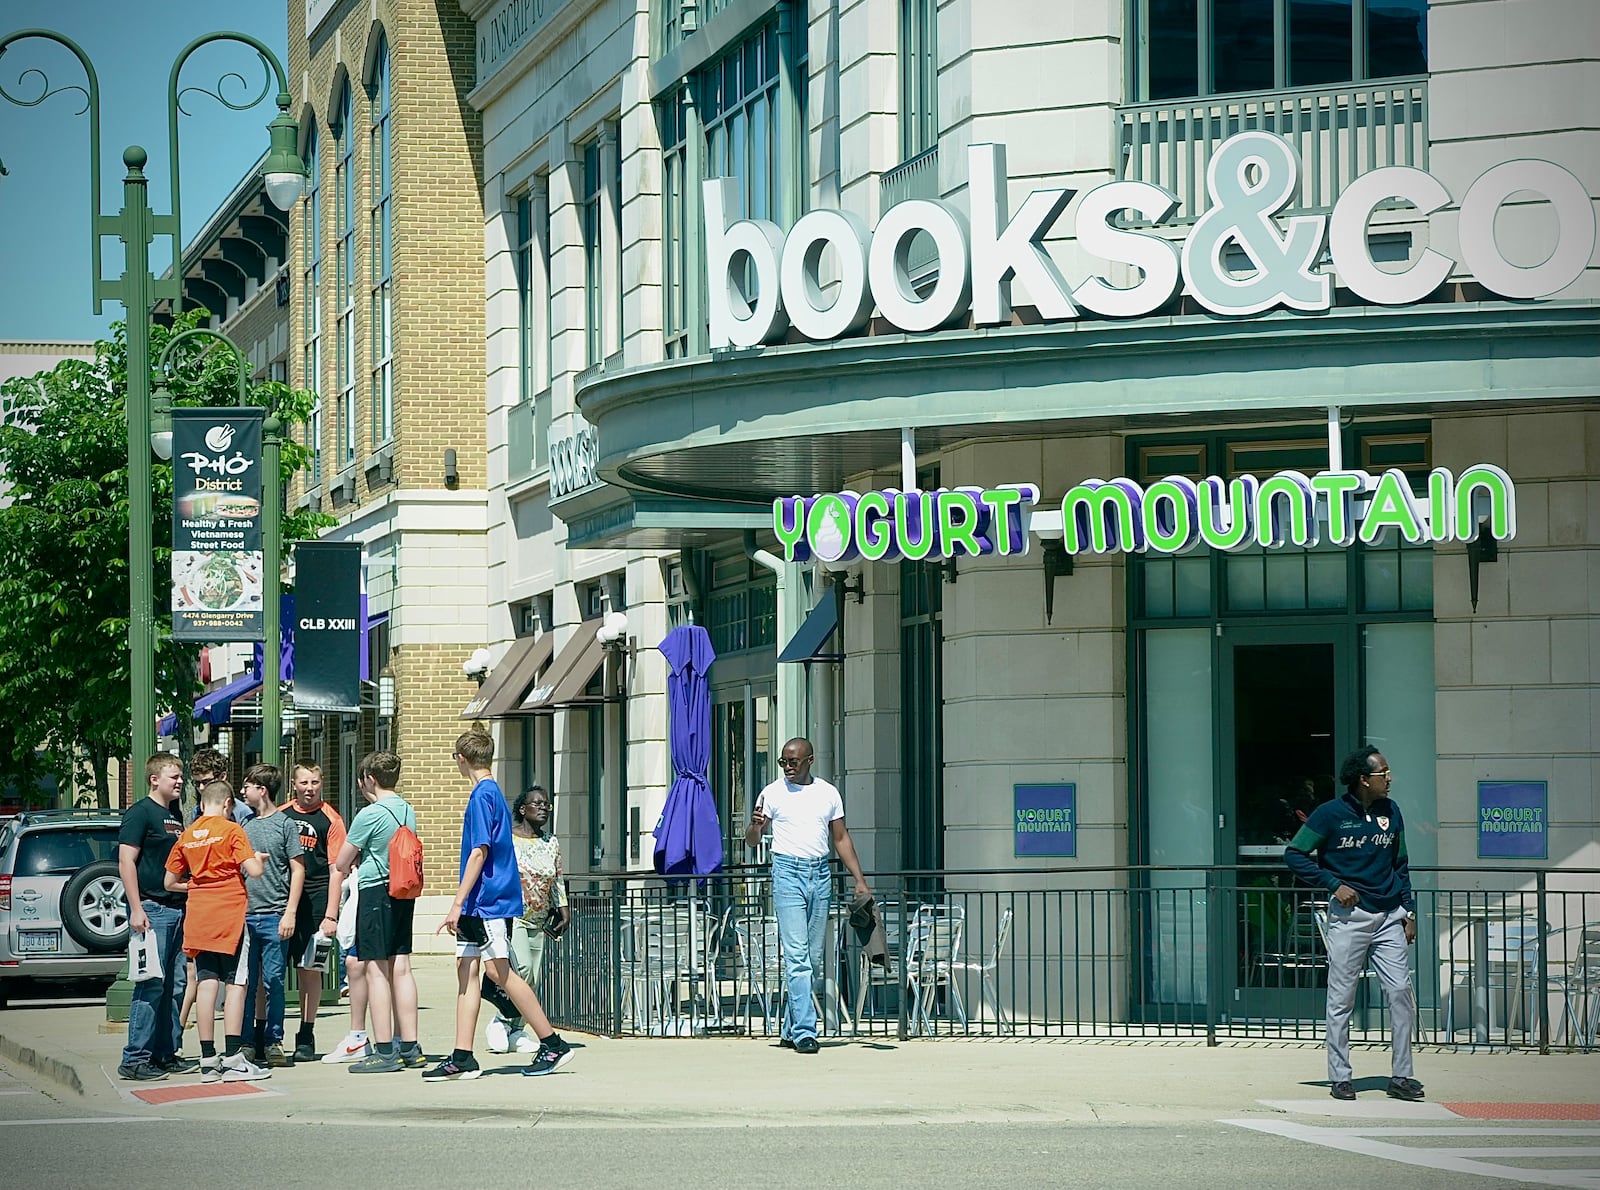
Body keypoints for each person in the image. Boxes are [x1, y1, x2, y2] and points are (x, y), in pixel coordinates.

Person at [428, 731, 574, 1081]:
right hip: (480, 902)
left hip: (487, 901)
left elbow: (480, 851)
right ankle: (463, 1055)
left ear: (461, 758)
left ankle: (552, 1042)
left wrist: (457, 902)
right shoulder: (491, 793)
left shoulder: (483, 796)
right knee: (467, 971)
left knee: (501, 972)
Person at [1284, 746, 1423, 1103]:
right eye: (1383, 773)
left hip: (1390, 914)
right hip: (1350, 918)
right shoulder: (1329, 815)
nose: (1389, 778)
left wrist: (1408, 910)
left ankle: (1402, 1076)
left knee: (1400, 994)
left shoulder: (1392, 811)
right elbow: (1294, 854)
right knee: (1341, 998)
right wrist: (1333, 885)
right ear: (1364, 779)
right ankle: (1340, 1077)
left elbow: (1401, 862)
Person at [744, 736, 870, 1055]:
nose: (787, 766)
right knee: (798, 957)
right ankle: (804, 1031)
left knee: (811, 960)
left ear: (809, 760)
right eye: (783, 761)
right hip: (787, 873)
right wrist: (755, 827)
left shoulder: (827, 793)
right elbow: (751, 840)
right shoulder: (772, 793)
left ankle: (789, 1027)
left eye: (793, 761)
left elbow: (840, 838)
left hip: (820, 873)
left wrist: (859, 880)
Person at [163, 780, 269, 1082]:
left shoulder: (187, 835)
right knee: (236, 984)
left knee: (206, 983)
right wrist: (257, 859)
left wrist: (196, 886)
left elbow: (169, 882)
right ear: (227, 804)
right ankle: (234, 1058)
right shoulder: (232, 830)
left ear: (201, 804)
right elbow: (256, 871)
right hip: (230, 914)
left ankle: (208, 1059)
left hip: (199, 915)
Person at [333, 750, 423, 1073]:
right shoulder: (407, 810)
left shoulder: (369, 814)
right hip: (403, 891)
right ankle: (410, 1045)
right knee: (402, 966)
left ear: (370, 779)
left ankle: (384, 1050)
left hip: (375, 892)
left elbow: (342, 861)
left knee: (376, 970)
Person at [116, 754, 196, 1081]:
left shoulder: (175, 815)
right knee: (151, 985)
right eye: (173, 776)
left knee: (175, 985)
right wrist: (136, 908)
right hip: (151, 909)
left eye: (180, 776)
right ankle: (135, 1058)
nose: (179, 781)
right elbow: (125, 862)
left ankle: (165, 1052)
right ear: (154, 779)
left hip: (178, 909)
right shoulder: (140, 813)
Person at [484, 785, 570, 1055]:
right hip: (515, 916)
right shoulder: (509, 840)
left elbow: (557, 878)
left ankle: (515, 1029)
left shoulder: (551, 842)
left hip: (539, 918)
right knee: (521, 970)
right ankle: (500, 1021)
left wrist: (563, 908)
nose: (544, 808)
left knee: (533, 978)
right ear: (523, 809)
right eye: (537, 804)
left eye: (547, 804)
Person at [279, 761, 347, 1062]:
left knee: (310, 969)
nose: (310, 788)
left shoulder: (331, 819)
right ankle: (267, 1034)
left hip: (317, 896)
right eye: (304, 783)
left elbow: (337, 870)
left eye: (315, 783)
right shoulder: (282, 815)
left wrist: (331, 914)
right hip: (283, 898)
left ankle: (306, 1033)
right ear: (294, 784)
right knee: (273, 970)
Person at [239, 764, 305, 1067]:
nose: (243, 792)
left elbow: (297, 868)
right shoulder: (243, 825)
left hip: (275, 914)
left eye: (248, 786)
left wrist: (289, 912)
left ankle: (274, 1040)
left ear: (262, 790)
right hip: (246, 916)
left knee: (275, 981)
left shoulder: (285, 825)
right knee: (246, 982)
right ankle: (246, 1043)